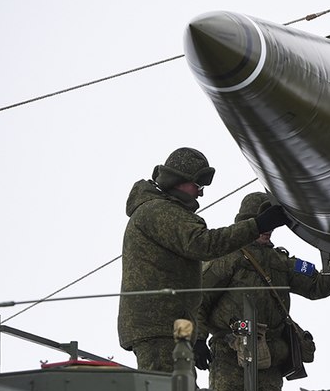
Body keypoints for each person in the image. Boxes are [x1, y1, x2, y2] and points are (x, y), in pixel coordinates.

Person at [118, 147, 288, 372]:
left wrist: (195, 337)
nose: (200, 194)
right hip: (160, 327)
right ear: (179, 180)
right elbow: (204, 243)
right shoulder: (158, 211)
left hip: (174, 326)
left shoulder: (163, 210)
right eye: (198, 186)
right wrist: (257, 225)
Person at [195, 191, 330, 391]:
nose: (268, 230)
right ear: (247, 222)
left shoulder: (283, 261)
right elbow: (198, 299)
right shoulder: (227, 257)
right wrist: (198, 339)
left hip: (269, 363)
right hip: (229, 359)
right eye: (262, 222)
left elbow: (318, 286)